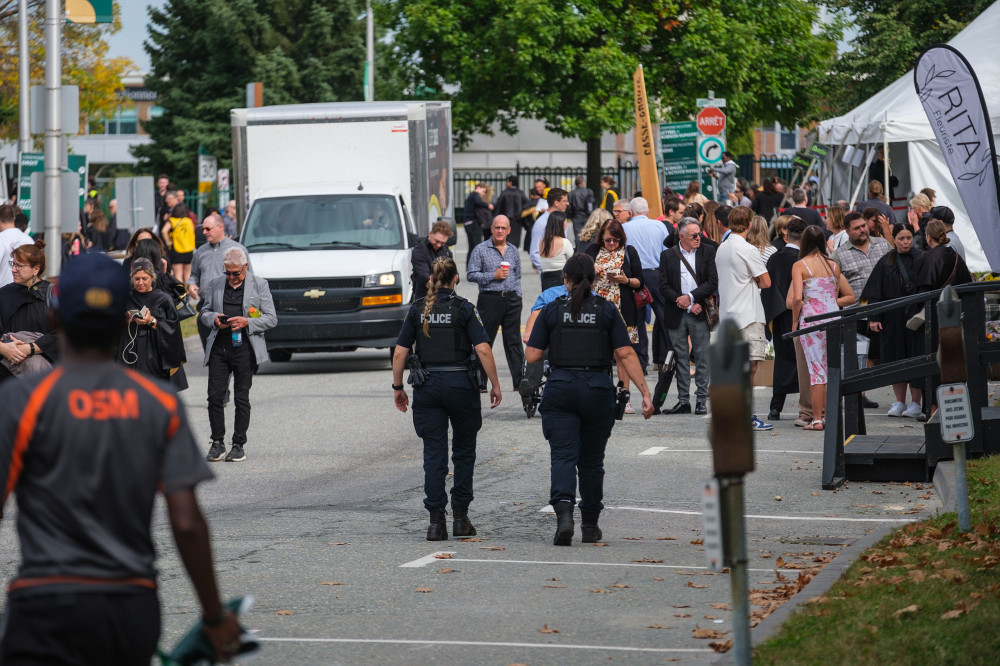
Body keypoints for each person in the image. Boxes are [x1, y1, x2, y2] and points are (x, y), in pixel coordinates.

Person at [0, 253, 240, 664]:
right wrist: (214, 616)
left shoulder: (24, 401)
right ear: (121, 319)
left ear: (54, 318)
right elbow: (186, 521)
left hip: (44, 601)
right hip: (129, 604)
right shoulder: (156, 404)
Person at [525, 254, 653, 546]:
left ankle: (564, 516)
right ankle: (591, 524)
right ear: (595, 281)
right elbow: (626, 354)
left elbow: (532, 354)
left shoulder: (551, 310)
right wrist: (645, 393)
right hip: (596, 389)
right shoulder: (607, 310)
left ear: (565, 280)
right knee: (592, 461)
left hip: (560, 388)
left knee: (563, 457)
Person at [392, 258, 502, 540]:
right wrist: (495, 385)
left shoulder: (417, 309)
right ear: (455, 279)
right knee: (464, 452)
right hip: (460, 386)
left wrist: (397, 387)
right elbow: (484, 350)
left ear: (432, 279)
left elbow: (400, 353)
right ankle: (460, 518)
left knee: (434, 455)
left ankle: (435, 522)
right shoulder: (464, 308)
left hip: (428, 387)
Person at [200, 247, 277, 463]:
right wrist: (214, 318)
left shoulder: (260, 284)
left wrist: (247, 322)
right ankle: (217, 443)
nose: (232, 277)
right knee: (215, 396)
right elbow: (204, 312)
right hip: (219, 347)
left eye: (236, 273)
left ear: (245, 267)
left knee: (241, 397)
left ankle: (238, 444)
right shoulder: (216, 283)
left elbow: (272, 319)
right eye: (228, 273)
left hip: (245, 348)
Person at [788, 226, 856, 431]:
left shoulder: (800, 265)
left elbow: (797, 298)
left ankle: (817, 419)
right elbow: (847, 295)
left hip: (811, 320)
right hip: (832, 317)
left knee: (816, 370)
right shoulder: (833, 265)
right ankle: (828, 414)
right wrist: (830, 301)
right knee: (829, 368)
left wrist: (794, 322)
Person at [715, 206, 773, 431]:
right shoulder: (748, 249)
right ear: (749, 224)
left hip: (729, 314)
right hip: (748, 314)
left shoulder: (722, 248)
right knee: (749, 369)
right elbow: (766, 281)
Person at [862, 223, 925, 418]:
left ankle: (916, 403)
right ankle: (899, 401)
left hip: (915, 317)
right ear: (894, 239)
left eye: (908, 238)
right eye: (901, 238)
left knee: (915, 358)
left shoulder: (921, 258)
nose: (905, 242)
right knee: (895, 359)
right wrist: (874, 317)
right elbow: (874, 291)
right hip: (892, 318)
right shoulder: (886, 261)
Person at [659, 217, 718, 416]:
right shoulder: (668, 255)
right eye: (693, 235)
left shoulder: (708, 252)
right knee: (681, 357)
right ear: (681, 236)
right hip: (677, 312)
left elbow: (712, 282)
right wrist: (683, 302)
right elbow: (663, 286)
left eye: (699, 234)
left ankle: (701, 399)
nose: (698, 238)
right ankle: (683, 400)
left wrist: (692, 299)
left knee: (702, 356)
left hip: (699, 310)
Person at [588, 217, 644, 412]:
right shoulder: (593, 252)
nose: (611, 244)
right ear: (601, 239)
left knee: (623, 355)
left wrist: (625, 280)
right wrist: (590, 269)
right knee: (596, 354)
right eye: (608, 240)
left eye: (616, 240)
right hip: (596, 310)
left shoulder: (629, 252)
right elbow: (577, 275)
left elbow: (641, 282)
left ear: (621, 239)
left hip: (624, 310)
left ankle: (624, 398)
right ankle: (598, 396)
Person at [467, 215, 524, 390]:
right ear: (491, 229)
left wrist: (518, 295)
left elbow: (518, 274)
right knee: (485, 340)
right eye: (497, 227)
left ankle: (520, 382)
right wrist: (494, 275)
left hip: (512, 299)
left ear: (509, 230)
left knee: (513, 341)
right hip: (489, 299)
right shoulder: (481, 249)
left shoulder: (513, 250)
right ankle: (481, 381)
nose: (500, 231)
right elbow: (471, 274)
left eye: (503, 228)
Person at [764, 217, 809, 423]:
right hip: (806, 314)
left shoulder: (774, 258)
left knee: (783, 360)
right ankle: (809, 409)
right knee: (808, 361)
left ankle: (776, 407)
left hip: (780, 315)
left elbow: (768, 291)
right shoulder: (805, 259)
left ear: (786, 234)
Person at [118, 258, 187, 384]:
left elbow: (173, 328)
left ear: (152, 278)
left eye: (145, 278)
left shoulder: (164, 299)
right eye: (136, 278)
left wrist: (152, 321)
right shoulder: (125, 298)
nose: (140, 282)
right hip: (128, 351)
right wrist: (127, 320)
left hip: (154, 353)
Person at [622, 197, 671, 373]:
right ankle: (669, 359)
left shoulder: (625, 228)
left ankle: (640, 362)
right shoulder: (659, 226)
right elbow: (668, 252)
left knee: (636, 320)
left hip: (635, 276)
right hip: (657, 273)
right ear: (647, 211)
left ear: (631, 212)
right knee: (664, 316)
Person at [188, 214, 249, 350]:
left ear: (220, 227)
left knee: (233, 352)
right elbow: (194, 275)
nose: (204, 232)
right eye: (203, 229)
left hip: (230, 306)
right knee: (211, 353)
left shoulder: (238, 250)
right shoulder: (201, 251)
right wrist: (191, 284)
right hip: (206, 308)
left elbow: (249, 278)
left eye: (208, 229)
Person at [0, 241, 57, 382]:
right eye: (13, 264)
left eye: (19, 266)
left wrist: (29, 348)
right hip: (6, 374)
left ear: (35, 269)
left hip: (41, 376)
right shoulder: (4, 294)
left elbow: (63, 335)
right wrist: (4, 349)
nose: (13, 270)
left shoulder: (52, 294)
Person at [915, 220, 972, 291]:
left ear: (928, 238)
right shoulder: (955, 255)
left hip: (937, 301)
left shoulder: (925, 259)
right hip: (957, 299)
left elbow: (922, 291)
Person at [412, 220, 454, 300]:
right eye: (437, 241)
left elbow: (453, 275)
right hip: (424, 297)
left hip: (445, 297)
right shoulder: (419, 251)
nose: (439, 245)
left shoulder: (447, 252)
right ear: (430, 233)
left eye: (442, 243)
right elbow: (425, 277)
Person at [530, 188, 569, 271]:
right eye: (564, 201)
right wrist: (549, 270)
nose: (567, 203)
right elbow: (535, 253)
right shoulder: (541, 223)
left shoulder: (562, 220)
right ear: (556, 203)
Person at [0, 204, 34, 289]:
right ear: (14, 218)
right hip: (25, 292)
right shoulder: (29, 240)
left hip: (3, 293)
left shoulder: (2, 238)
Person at [539, 211, 574, 290]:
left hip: (545, 280)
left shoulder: (542, 242)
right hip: (561, 281)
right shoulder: (565, 242)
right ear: (561, 224)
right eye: (565, 221)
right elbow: (572, 262)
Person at [163, 203, 196, 283]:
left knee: (178, 275)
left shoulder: (172, 221)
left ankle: (181, 294)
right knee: (187, 274)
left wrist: (168, 242)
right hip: (188, 250)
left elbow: (164, 231)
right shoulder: (189, 221)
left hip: (176, 250)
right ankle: (188, 293)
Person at [462, 183, 493, 266]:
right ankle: (475, 265)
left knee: (472, 246)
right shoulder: (475, 195)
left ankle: (470, 266)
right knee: (476, 246)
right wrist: (488, 205)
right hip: (473, 224)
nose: (483, 194)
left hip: (468, 223)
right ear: (478, 188)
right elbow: (478, 202)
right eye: (483, 191)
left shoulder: (470, 196)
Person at [495, 176, 530, 248]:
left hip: (505, 219)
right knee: (516, 239)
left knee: (506, 239)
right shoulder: (520, 193)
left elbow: (499, 207)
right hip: (518, 220)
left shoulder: (504, 193)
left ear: (510, 182)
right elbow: (526, 206)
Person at [567, 176, 595, 244]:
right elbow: (591, 203)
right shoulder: (588, 191)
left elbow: (569, 206)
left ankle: (579, 250)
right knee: (588, 234)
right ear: (583, 182)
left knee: (577, 235)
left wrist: (571, 215)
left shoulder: (572, 193)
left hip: (576, 216)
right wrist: (590, 213)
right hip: (587, 216)